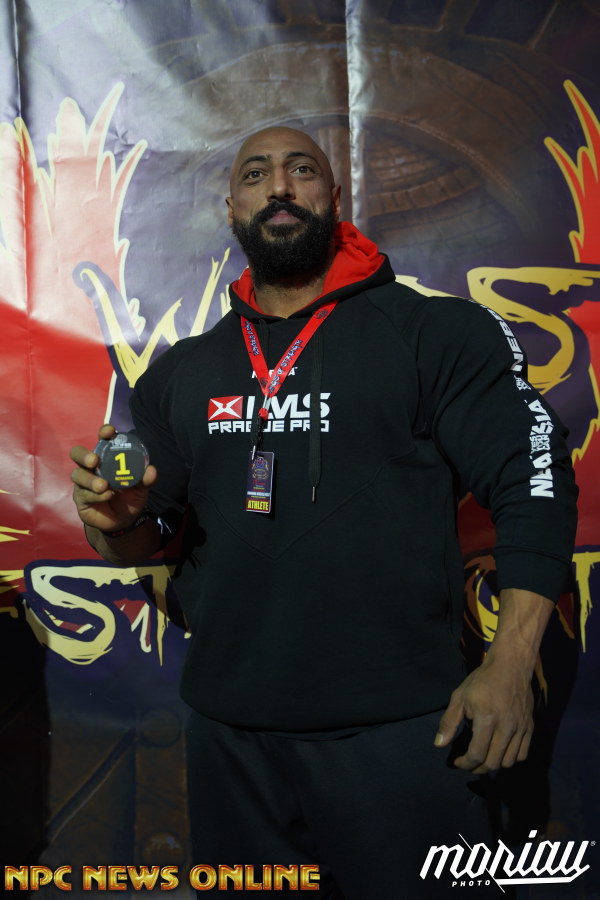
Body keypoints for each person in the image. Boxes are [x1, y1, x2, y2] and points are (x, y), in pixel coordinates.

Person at [71, 127, 578, 898]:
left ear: (334, 199)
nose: (279, 186)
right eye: (256, 174)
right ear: (231, 207)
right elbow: (146, 541)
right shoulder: (183, 372)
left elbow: (535, 482)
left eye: (301, 169)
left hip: (400, 736)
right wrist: (115, 522)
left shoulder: (433, 334)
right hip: (232, 747)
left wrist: (510, 666)